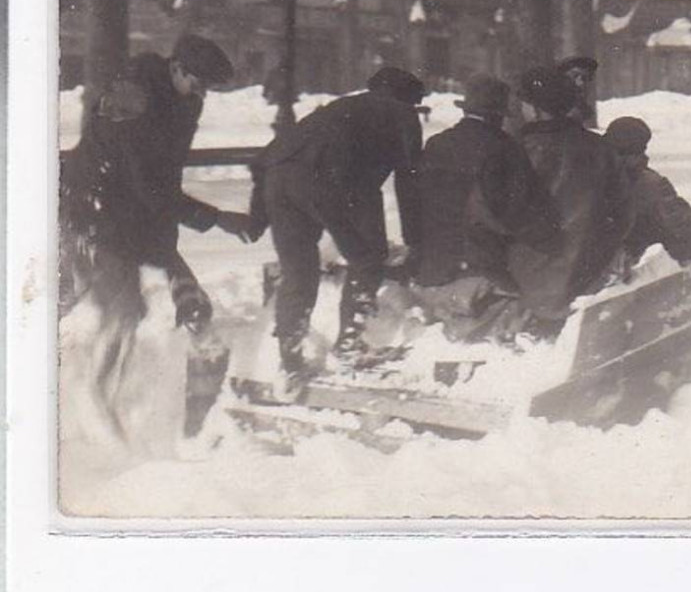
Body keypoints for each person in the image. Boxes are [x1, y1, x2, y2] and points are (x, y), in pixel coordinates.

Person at [61, 33, 257, 337]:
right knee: (116, 310)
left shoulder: (186, 102)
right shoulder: (133, 96)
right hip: (88, 205)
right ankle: (78, 381)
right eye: (198, 82)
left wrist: (174, 264)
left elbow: (166, 178)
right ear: (176, 68)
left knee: (123, 311)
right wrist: (216, 219)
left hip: (120, 209)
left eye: (208, 88)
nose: (202, 93)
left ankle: (101, 379)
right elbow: (149, 186)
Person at [259, 66, 426, 379]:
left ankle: (290, 359)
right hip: (331, 181)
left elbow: (274, 154)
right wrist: (415, 239)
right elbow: (409, 182)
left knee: (298, 268)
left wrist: (257, 218)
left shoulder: (341, 107)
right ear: (407, 99)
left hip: (278, 179)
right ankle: (349, 346)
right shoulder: (402, 115)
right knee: (368, 257)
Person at [410, 75, 557, 338]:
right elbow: (521, 213)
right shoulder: (506, 149)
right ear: (498, 115)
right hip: (480, 272)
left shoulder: (436, 143)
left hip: (430, 269)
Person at [505, 65, 634, 335]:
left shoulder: (513, 152)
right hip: (586, 283)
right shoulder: (601, 150)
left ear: (533, 107)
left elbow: (488, 220)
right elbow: (623, 213)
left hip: (526, 293)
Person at [602, 116, 691, 280]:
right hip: (620, 257)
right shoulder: (648, 183)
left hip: (585, 254)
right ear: (641, 147)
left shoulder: (584, 171)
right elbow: (679, 223)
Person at [557, 55, 600, 128]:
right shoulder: (548, 105)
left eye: (586, 78)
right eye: (574, 76)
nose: (580, 83)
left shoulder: (581, 107)